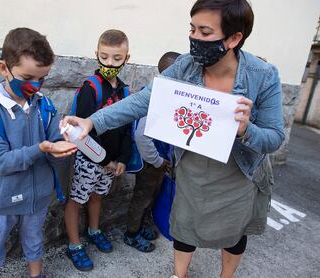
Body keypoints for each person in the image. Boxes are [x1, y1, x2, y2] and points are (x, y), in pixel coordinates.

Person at [60, 1, 285, 277]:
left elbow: (274, 138)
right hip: (193, 169)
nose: (194, 39)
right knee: (184, 225)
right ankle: (179, 274)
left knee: (234, 233)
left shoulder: (263, 76)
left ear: (234, 38)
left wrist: (245, 129)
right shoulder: (185, 67)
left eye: (205, 32)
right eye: (192, 29)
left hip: (238, 173)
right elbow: (143, 100)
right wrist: (92, 121)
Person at [0, 28, 77, 278]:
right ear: (3, 68)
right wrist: (41, 148)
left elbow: (53, 143)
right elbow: (0, 162)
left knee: (34, 241)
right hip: (0, 200)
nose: (35, 86)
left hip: (36, 196)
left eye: (43, 79)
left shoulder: (45, 105)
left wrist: (64, 142)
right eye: (28, 78)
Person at [64, 29, 132, 272]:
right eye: (104, 57)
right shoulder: (90, 88)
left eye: (116, 58)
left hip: (111, 162)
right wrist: (104, 160)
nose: (110, 63)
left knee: (97, 196)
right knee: (77, 199)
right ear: (97, 54)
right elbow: (84, 131)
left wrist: (122, 158)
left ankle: (94, 231)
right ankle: (74, 245)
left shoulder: (124, 91)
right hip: (89, 159)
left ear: (127, 58)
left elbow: (127, 127)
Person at [123, 51, 180, 253]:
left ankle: (142, 225)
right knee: (142, 197)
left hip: (158, 160)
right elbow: (142, 136)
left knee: (152, 195)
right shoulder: (156, 98)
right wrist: (156, 161)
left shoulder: (170, 95)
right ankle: (131, 234)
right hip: (150, 161)